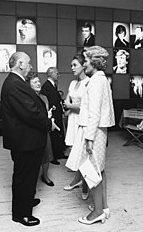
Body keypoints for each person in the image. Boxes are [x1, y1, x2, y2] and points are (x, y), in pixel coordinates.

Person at [1, 52, 59, 226]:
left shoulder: (15, 82)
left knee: (27, 176)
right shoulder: (15, 84)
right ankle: (21, 214)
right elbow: (31, 113)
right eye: (29, 63)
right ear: (20, 64)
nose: (31, 66)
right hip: (24, 141)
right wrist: (49, 124)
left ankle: (25, 201)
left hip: (26, 139)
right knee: (24, 177)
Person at [66, 46, 115, 225]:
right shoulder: (102, 80)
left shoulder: (95, 81)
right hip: (100, 131)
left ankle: (98, 212)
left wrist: (89, 138)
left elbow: (94, 113)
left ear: (94, 61)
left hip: (94, 132)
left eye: (85, 61)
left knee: (91, 172)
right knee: (99, 169)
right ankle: (104, 206)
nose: (84, 64)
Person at [63, 54, 90, 199]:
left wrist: (70, 106)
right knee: (75, 151)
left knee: (84, 154)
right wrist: (70, 106)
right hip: (73, 119)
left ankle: (85, 185)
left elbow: (86, 107)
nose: (72, 68)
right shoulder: (73, 83)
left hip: (83, 120)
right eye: (71, 65)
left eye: (75, 65)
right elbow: (67, 99)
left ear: (83, 65)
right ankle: (77, 180)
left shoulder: (89, 82)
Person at [26, 72, 55, 186]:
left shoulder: (44, 98)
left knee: (46, 154)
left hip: (45, 130)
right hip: (33, 131)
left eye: (39, 81)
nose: (38, 84)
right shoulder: (28, 98)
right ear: (29, 84)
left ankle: (45, 176)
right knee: (33, 157)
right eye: (35, 82)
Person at [41, 67, 68, 165]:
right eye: (57, 73)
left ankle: (59, 153)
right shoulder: (46, 86)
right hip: (52, 115)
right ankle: (53, 157)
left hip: (57, 114)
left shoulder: (53, 85)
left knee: (58, 134)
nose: (58, 75)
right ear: (51, 74)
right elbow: (44, 101)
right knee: (53, 135)